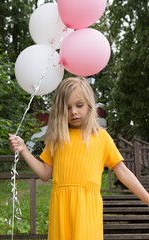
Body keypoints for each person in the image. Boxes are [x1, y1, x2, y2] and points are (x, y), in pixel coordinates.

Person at [9, 76, 149, 240]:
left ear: (90, 106)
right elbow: (45, 174)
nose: (73, 111)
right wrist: (24, 150)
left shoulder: (101, 137)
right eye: (67, 108)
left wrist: (147, 198)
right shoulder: (58, 137)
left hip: (87, 210)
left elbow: (123, 172)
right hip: (61, 209)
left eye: (79, 105)